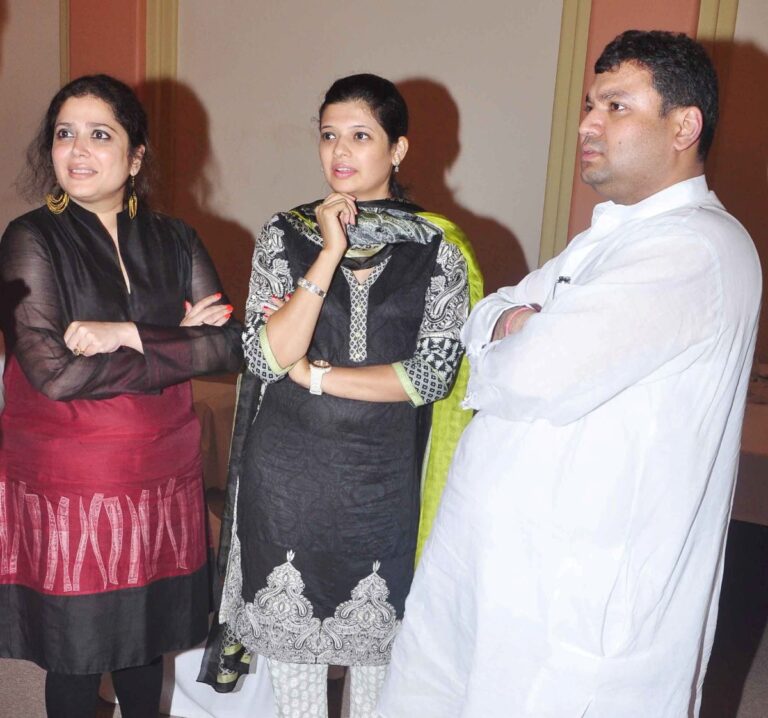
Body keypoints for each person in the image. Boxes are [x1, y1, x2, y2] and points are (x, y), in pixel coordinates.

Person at [378, 30, 762, 718]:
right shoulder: (611, 237)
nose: (588, 123)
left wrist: (519, 328)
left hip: (579, 606)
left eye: (616, 106)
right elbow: (485, 318)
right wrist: (512, 324)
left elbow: (531, 375)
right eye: (589, 104)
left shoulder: (695, 248)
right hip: (501, 581)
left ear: (684, 125)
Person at [199, 73, 482, 717]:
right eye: (329, 135)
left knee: (379, 665)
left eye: (361, 135)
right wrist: (327, 253)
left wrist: (316, 375)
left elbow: (428, 378)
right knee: (295, 667)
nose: (340, 152)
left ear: (398, 149)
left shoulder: (439, 247)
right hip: (288, 477)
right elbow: (266, 355)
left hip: (381, 486)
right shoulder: (285, 233)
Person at [0, 74, 242, 718]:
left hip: (161, 469)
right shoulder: (29, 239)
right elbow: (54, 374)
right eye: (64, 134)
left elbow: (229, 348)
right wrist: (174, 345)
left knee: (144, 644)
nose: (77, 150)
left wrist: (124, 334)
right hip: (72, 477)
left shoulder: (177, 238)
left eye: (99, 135)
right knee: (77, 654)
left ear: (135, 157)